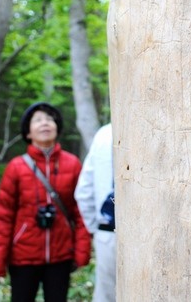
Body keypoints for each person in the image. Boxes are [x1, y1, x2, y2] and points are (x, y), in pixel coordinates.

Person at [0, 102, 91, 302]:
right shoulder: (16, 167)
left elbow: (81, 212)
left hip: (61, 255)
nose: (45, 123)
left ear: (57, 127)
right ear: (28, 133)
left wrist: (82, 251)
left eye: (49, 119)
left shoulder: (73, 164)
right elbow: (3, 217)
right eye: (37, 120)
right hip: (23, 255)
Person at [75, 123, 116, 302]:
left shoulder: (104, 134)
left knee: (107, 294)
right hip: (147, 234)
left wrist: (97, 228)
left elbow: (83, 191)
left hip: (107, 233)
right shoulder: (156, 127)